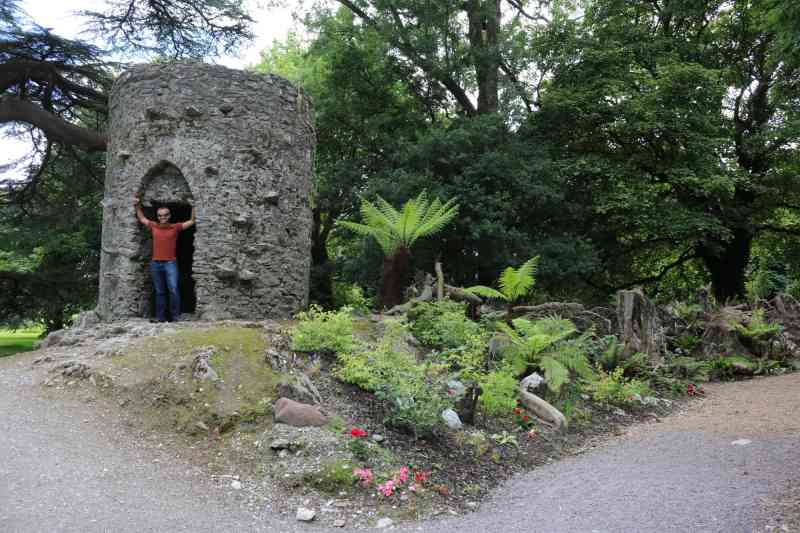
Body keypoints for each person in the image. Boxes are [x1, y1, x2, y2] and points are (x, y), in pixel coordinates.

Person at [134, 196, 196, 322]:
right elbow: (142, 218)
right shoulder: (154, 226)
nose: (163, 217)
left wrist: (194, 205)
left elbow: (191, 221)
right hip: (155, 263)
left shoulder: (175, 227)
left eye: (165, 215)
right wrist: (137, 205)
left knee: (173, 289)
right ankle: (160, 317)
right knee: (160, 291)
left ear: (169, 216)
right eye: (160, 215)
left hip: (170, 263)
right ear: (157, 216)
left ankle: (175, 316)